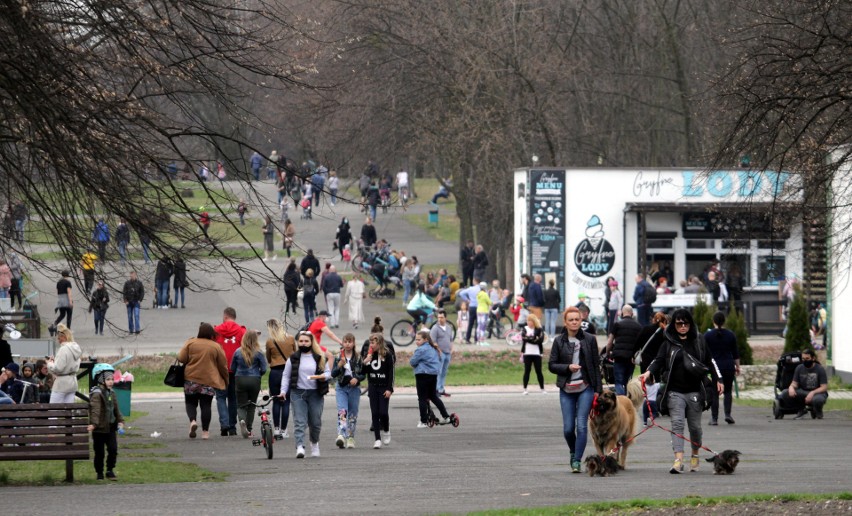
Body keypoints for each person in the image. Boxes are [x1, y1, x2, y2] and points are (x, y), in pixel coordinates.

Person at [639, 309, 722, 474]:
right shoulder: (668, 342)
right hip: (674, 391)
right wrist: (648, 372)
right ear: (674, 325)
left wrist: (718, 379)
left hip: (695, 392)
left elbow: (710, 361)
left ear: (690, 324)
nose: (683, 326)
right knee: (677, 424)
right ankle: (678, 460)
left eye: (686, 323)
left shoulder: (699, 341)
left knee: (695, 428)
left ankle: (695, 455)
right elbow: (658, 360)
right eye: (679, 323)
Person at [548, 306, 603, 474]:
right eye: (570, 320)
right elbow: (551, 365)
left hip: (585, 387)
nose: (574, 322)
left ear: (581, 321)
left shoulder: (589, 339)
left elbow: (595, 365)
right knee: (567, 428)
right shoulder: (559, 341)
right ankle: (573, 451)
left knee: (582, 426)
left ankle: (577, 460)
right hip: (566, 389)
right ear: (565, 322)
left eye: (577, 319)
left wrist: (597, 390)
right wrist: (567, 367)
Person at [280, 331, 331, 458]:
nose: (303, 343)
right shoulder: (293, 358)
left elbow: (328, 372)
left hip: (316, 393)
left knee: (315, 422)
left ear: (311, 342)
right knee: (299, 421)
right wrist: (283, 391)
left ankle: (314, 444)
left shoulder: (319, 357)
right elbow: (286, 376)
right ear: (298, 342)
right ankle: (300, 446)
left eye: (306, 341)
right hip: (298, 393)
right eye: (301, 341)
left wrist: (323, 377)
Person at [178, 322, 228, 441]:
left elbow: (181, 358)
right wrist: (225, 379)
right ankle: (205, 432)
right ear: (211, 333)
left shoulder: (190, 343)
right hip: (208, 380)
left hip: (191, 378)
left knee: (190, 403)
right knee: (206, 405)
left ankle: (193, 421)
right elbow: (222, 365)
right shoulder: (215, 346)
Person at [88, 363, 125, 481]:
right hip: (99, 429)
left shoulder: (112, 393)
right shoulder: (96, 394)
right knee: (99, 453)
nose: (111, 382)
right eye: (108, 379)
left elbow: (116, 409)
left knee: (113, 449)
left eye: (112, 379)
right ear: (101, 380)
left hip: (110, 428)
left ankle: (110, 470)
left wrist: (120, 421)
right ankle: (99, 472)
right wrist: (94, 424)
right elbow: (95, 410)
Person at [704, 311, 740, 425]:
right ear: (724, 321)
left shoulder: (708, 335)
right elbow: (735, 353)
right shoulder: (730, 334)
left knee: (715, 392)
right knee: (728, 391)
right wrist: (737, 366)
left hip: (715, 366)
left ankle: (714, 418)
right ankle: (728, 414)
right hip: (729, 365)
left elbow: (704, 352)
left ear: (713, 321)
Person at [214, 307, 246, 436]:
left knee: (221, 397)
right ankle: (232, 426)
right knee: (233, 398)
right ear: (234, 317)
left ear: (225, 316)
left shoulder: (216, 331)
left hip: (221, 369)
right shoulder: (242, 331)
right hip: (236, 369)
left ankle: (224, 424)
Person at [411, 330, 452, 428]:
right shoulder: (434, 349)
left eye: (419, 340)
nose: (417, 342)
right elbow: (440, 359)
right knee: (433, 396)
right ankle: (446, 416)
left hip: (422, 375)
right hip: (433, 375)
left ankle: (423, 421)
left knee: (422, 398)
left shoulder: (420, 350)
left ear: (425, 339)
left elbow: (412, 362)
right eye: (415, 339)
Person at [233, 330, 268, 438]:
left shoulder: (238, 351)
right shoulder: (259, 352)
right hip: (254, 379)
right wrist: (258, 374)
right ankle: (249, 429)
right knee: (252, 406)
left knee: (241, 405)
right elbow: (264, 369)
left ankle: (242, 420)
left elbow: (232, 368)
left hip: (240, 378)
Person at [332, 333, 365, 449]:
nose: (347, 344)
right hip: (341, 387)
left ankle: (350, 437)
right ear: (342, 343)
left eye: (350, 342)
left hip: (354, 389)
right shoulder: (338, 357)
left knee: (352, 414)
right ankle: (341, 434)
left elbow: (363, 374)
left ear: (354, 343)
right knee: (342, 411)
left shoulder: (358, 357)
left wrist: (357, 378)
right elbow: (333, 374)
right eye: (345, 342)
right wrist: (339, 365)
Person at [363, 332, 395, 449]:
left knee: (383, 413)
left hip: (383, 387)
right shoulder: (369, 355)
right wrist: (365, 362)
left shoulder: (388, 355)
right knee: (375, 413)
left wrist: (389, 388)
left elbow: (391, 373)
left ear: (379, 343)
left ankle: (386, 429)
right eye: (370, 342)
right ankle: (377, 439)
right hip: (373, 386)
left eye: (373, 342)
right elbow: (362, 372)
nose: (370, 345)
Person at [266, 319, 296, 438]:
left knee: (276, 401)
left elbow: (268, 358)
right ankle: (284, 430)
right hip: (288, 371)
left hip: (275, 372)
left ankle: (276, 429)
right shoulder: (290, 339)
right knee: (286, 401)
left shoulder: (270, 341)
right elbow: (295, 354)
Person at [780, 348, 828, 419]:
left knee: (818, 400)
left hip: (818, 393)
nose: (805, 361)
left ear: (813, 358)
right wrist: (791, 388)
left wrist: (812, 393)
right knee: (784, 393)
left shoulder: (820, 369)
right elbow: (794, 383)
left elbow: (824, 387)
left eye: (807, 358)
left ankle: (817, 411)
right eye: (803, 359)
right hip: (803, 391)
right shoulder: (799, 368)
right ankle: (801, 410)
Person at [605, 305, 643, 395]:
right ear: (632, 314)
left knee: (618, 381)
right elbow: (641, 344)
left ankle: (621, 401)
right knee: (627, 382)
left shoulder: (617, 324)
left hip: (618, 356)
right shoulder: (638, 326)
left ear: (622, 313)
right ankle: (627, 401)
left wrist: (607, 353)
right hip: (631, 358)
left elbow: (610, 342)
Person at [47, 324, 82, 403]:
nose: (59, 341)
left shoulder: (63, 349)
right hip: (73, 382)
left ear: (64, 337)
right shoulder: (76, 348)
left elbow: (58, 368)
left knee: (53, 411)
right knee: (69, 411)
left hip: (61, 384)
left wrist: (49, 363)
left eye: (59, 338)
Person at [520, 313, 546, 394]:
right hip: (527, 353)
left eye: (530, 321)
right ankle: (525, 389)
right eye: (528, 321)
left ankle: (542, 388)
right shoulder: (525, 329)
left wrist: (531, 338)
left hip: (537, 353)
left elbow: (540, 340)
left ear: (534, 321)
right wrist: (534, 338)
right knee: (527, 371)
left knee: (539, 371)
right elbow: (524, 338)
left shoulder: (539, 329)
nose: (529, 322)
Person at [430, 310, 454, 397]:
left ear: (445, 318)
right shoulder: (435, 328)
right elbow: (433, 341)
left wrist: (451, 348)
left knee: (444, 371)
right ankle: (435, 389)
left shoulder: (449, 328)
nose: (440, 319)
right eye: (438, 317)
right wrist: (439, 350)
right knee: (438, 371)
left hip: (448, 353)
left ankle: (441, 388)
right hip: (439, 353)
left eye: (442, 317)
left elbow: (451, 339)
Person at [50, 270, 74, 334]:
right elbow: (69, 292)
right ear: (68, 275)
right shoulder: (68, 282)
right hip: (67, 300)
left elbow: (58, 292)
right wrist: (70, 301)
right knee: (69, 315)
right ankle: (68, 330)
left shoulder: (58, 282)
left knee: (62, 315)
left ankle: (54, 324)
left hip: (61, 300)